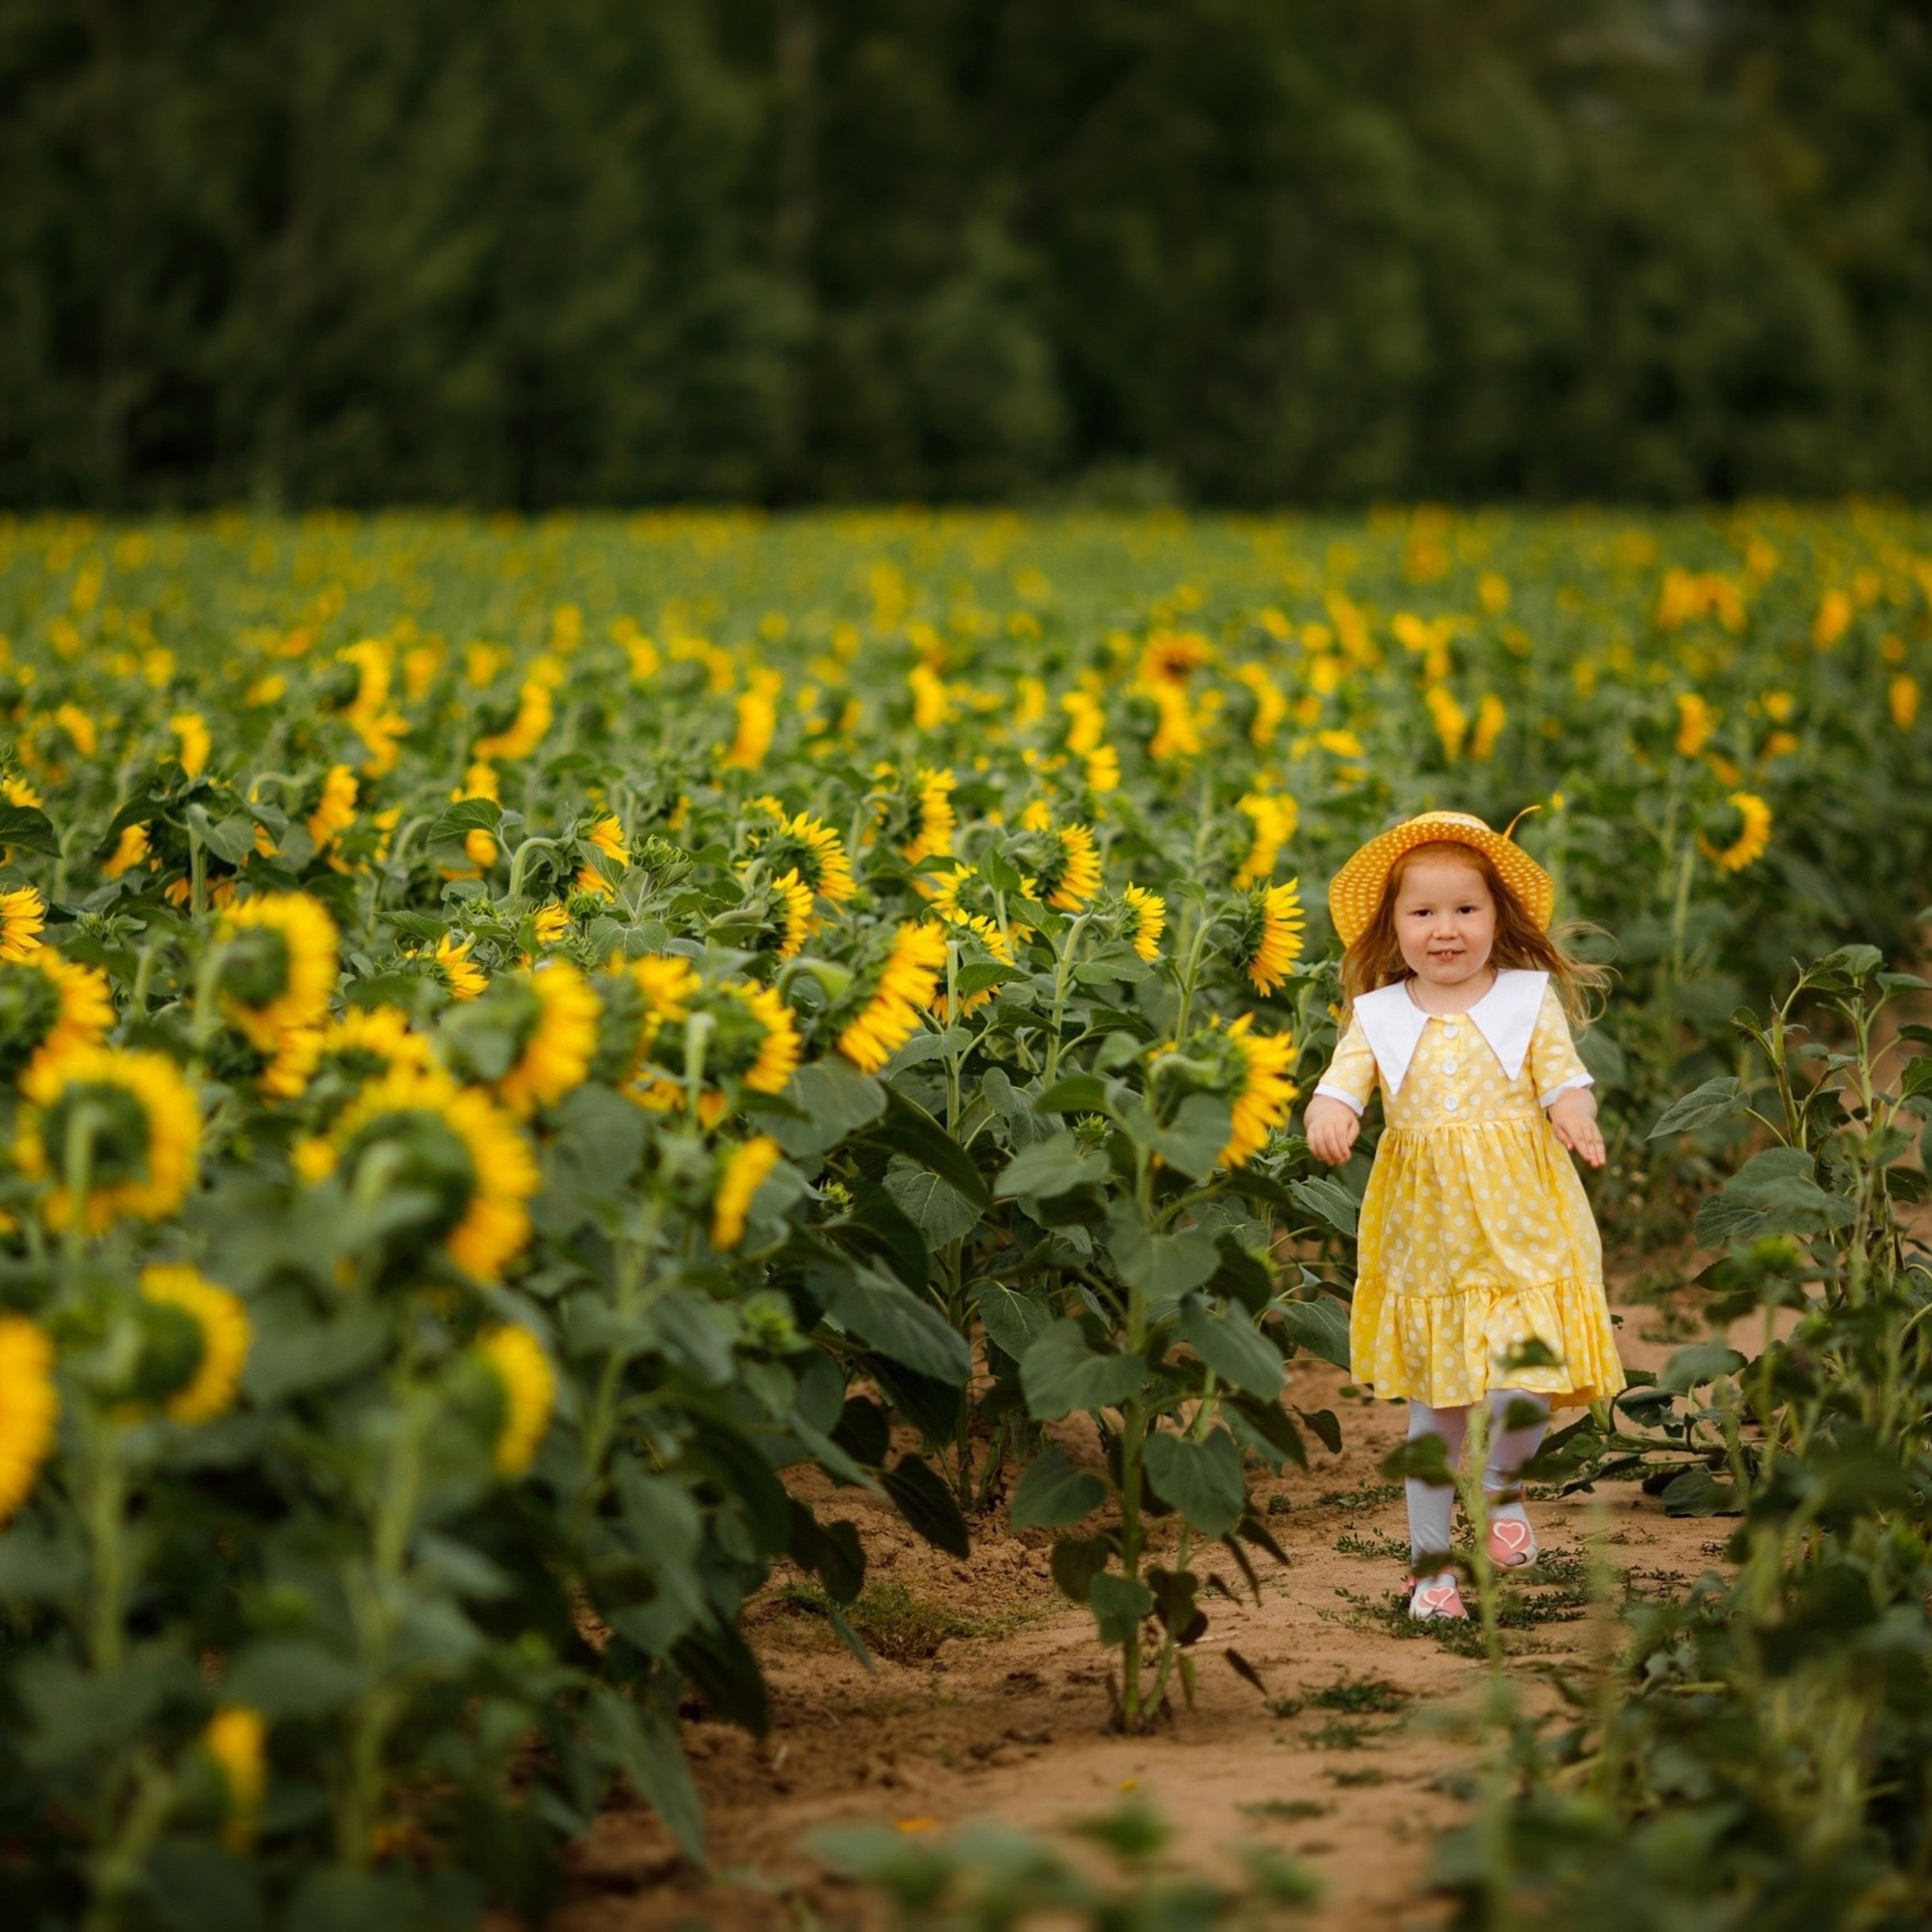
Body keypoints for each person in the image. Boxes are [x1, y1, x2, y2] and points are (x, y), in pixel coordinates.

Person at [1303, 811, 1624, 1620]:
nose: (1444, 930)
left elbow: (1564, 1079)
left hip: (1522, 1227)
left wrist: (1576, 1114)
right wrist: (1330, 1116)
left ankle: (1500, 1489)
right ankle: (1432, 1570)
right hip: (1429, 1237)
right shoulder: (1379, 1013)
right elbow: (1342, 1082)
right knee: (1435, 1408)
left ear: (1497, 918)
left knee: (1527, 1374)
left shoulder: (1526, 1000)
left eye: (1464, 911)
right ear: (1393, 925)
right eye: (1423, 913)